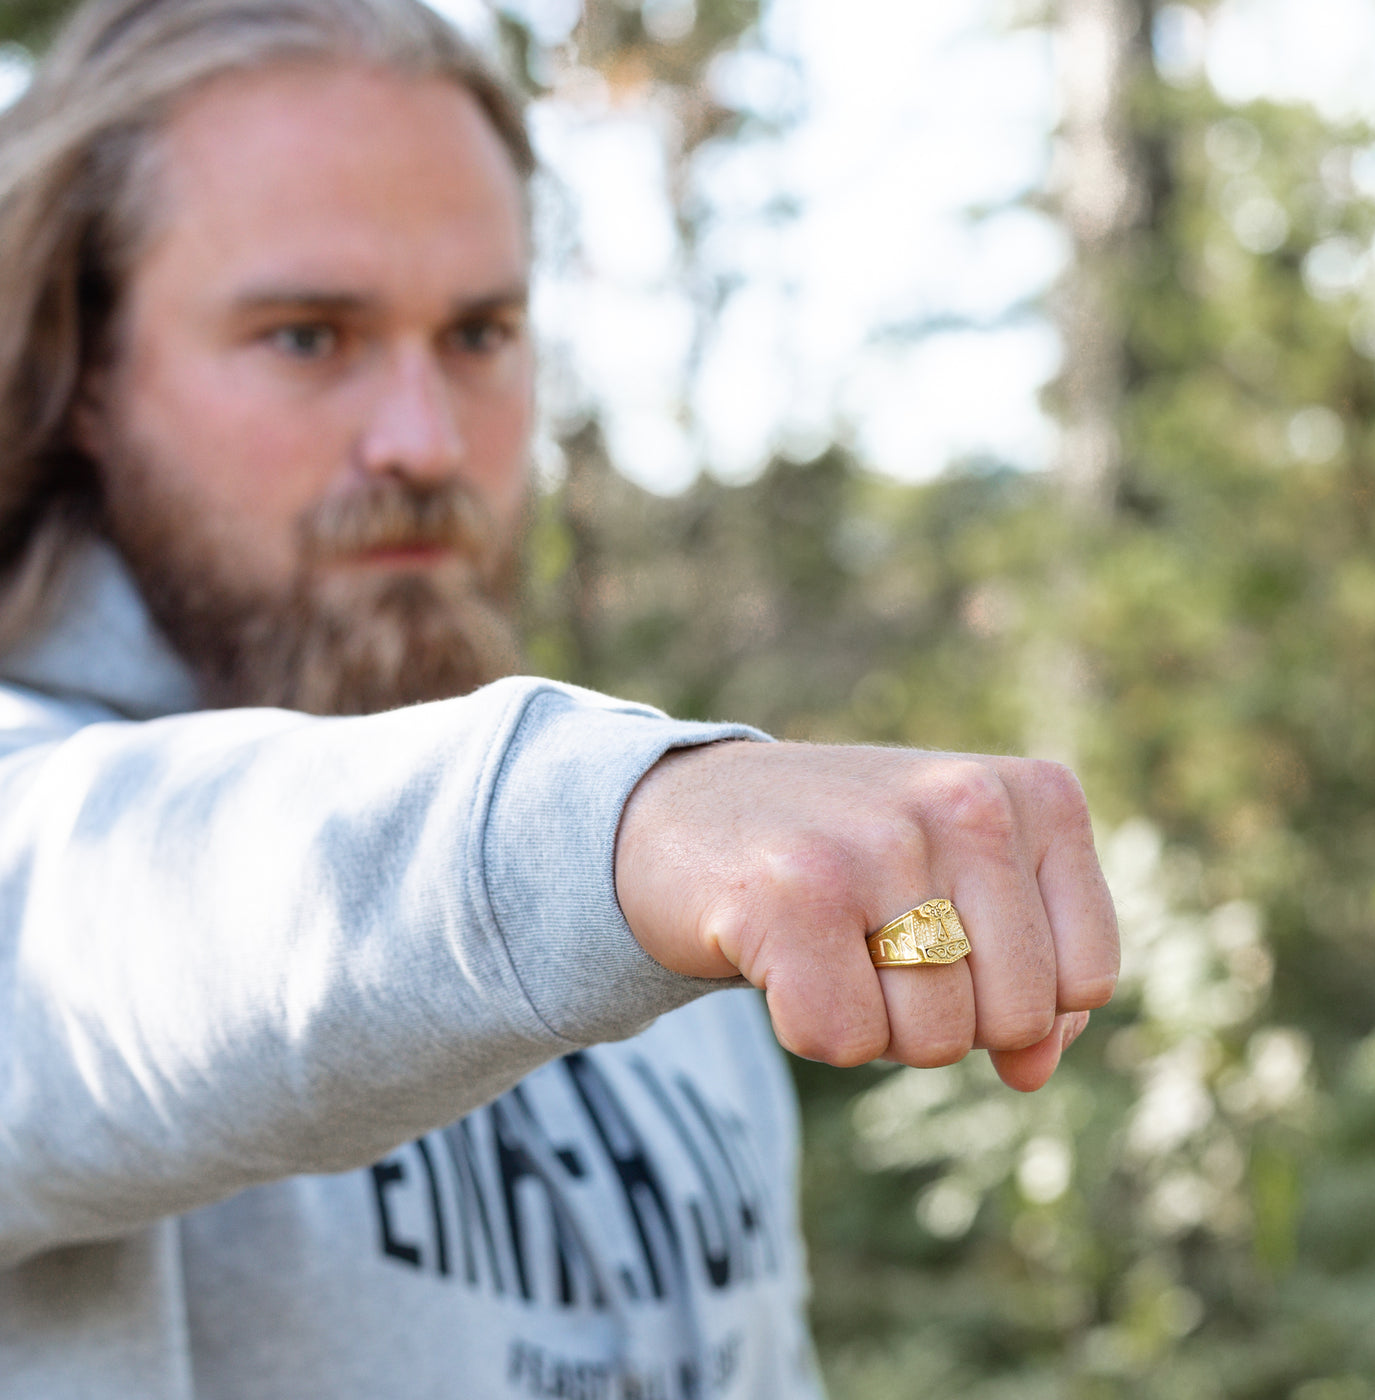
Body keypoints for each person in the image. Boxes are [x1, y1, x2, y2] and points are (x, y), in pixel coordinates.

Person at [0, 1, 1120, 1397]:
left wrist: (636, 824)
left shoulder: (680, 916)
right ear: (83, 376)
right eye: (306, 336)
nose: (422, 441)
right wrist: (609, 819)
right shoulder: (615, 835)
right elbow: (106, 916)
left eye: (479, 333)